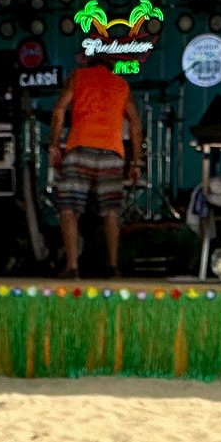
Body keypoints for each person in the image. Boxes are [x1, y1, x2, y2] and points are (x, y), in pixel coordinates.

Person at [49, 55, 142, 278]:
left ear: (88, 65)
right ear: (110, 68)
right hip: (111, 153)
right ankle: (112, 266)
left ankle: (72, 267)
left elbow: (59, 110)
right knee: (110, 211)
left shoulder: (78, 76)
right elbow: (135, 125)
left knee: (69, 209)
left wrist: (54, 145)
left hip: (79, 148)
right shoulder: (121, 84)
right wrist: (136, 162)